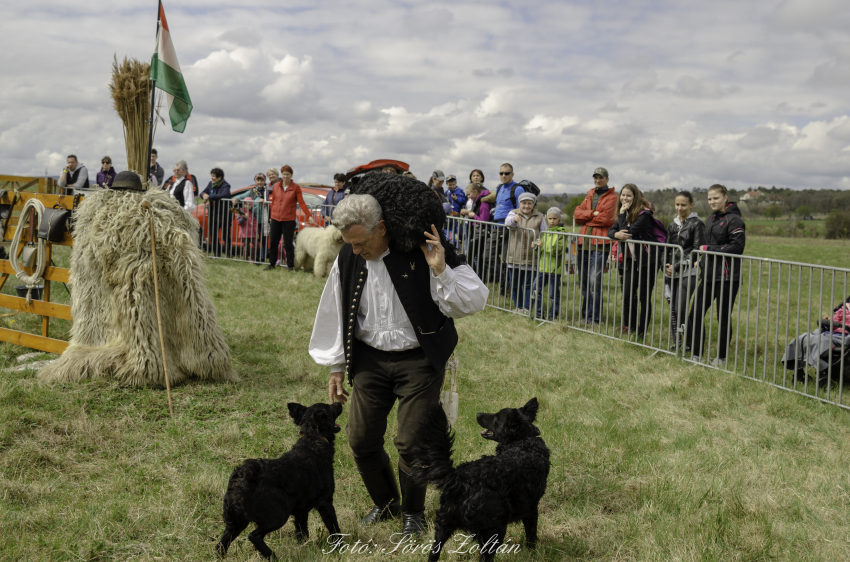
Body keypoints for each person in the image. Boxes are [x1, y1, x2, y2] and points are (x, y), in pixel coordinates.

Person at [308, 183, 488, 537]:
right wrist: (336, 366)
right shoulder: (349, 256)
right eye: (350, 243)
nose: (356, 251)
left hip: (419, 360)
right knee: (360, 439)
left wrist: (440, 269)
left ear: (382, 228)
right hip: (370, 360)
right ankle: (386, 502)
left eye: (362, 242)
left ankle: (413, 512)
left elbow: (475, 299)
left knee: (410, 441)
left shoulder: (425, 247)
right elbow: (336, 310)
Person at [685, 184, 746, 367]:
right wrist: (702, 261)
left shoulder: (735, 220)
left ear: (725, 197)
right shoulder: (711, 219)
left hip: (728, 278)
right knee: (695, 313)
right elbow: (708, 248)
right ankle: (696, 354)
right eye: (710, 198)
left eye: (716, 198)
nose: (712, 201)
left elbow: (737, 248)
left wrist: (707, 249)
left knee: (723, 318)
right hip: (709, 276)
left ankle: (721, 358)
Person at [608, 184, 662, 338]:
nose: (625, 198)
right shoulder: (624, 214)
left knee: (644, 297)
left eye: (629, 196)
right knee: (627, 295)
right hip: (631, 260)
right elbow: (611, 230)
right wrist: (615, 235)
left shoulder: (644, 215)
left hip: (648, 261)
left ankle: (642, 331)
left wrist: (622, 215)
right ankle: (630, 326)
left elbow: (627, 233)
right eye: (623, 195)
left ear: (636, 197)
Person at [573, 167, 617, 325]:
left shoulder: (613, 198)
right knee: (584, 282)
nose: (598, 180)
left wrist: (586, 216)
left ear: (607, 179)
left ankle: (594, 319)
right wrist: (592, 214)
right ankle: (586, 316)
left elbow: (606, 219)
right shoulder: (589, 194)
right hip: (583, 244)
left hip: (599, 245)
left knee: (594, 283)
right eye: (595, 177)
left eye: (601, 178)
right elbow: (577, 215)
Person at [664, 191, 705, 349]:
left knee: (681, 308)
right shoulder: (672, 225)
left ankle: (690, 342)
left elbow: (695, 251)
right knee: (673, 309)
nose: (679, 208)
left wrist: (676, 267)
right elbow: (667, 248)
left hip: (688, 273)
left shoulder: (697, 223)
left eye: (683, 205)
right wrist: (666, 265)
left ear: (691, 205)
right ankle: (678, 342)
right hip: (671, 272)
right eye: (677, 204)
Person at [265, 164, 314, 270]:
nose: (285, 176)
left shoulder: (295, 187)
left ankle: (290, 265)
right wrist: (271, 215)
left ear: (291, 175)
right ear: (281, 175)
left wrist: (309, 215)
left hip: (288, 220)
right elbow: (273, 202)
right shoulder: (276, 186)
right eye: (284, 174)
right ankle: (271, 264)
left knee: (288, 244)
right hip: (275, 219)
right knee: (273, 242)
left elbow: (301, 202)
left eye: (288, 174)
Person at [505, 192, 546, 312]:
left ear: (533, 204)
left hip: (531, 256)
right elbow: (507, 223)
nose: (526, 206)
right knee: (515, 284)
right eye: (524, 203)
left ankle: (527, 308)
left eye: (529, 203)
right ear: (519, 203)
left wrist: (540, 242)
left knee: (528, 285)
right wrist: (514, 219)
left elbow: (544, 233)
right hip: (514, 255)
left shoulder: (539, 216)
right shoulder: (513, 212)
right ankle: (518, 306)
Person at [534, 207, 567, 320]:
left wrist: (543, 246)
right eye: (550, 218)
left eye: (554, 218)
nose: (552, 221)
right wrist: (536, 247)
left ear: (559, 219)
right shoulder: (545, 232)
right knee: (536, 290)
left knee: (553, 295)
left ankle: (553, 315)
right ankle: (539, 313)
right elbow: (541, 250)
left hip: (554, 269)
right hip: (542, 267)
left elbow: (557, 251)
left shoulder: (562, 234)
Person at [232, 172, 270, 263]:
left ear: (265, 181)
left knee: (264, 239)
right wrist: (235, 198)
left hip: (266, 218)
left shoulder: (268, 190)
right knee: (256, 240)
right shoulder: (252, 191)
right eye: (258, 180)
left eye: (262, 180)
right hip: (255, 219)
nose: (260, 182)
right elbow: (241, 196)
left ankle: (263, 257)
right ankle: (256, 258)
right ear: (255, 181)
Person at [459, 182, 491, 274]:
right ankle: (478, 277)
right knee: (476, 257)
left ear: (476, 192)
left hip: (481, 234)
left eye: (469, 194)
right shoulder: (477, 202)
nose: (468, 196)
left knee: (471, 256)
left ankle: (475, 276)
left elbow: (483, 221)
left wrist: (473, 216)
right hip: (477, 233)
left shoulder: (483, 203)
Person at [201, 168, 232, 257]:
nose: (212, 178)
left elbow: (225, 195)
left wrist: (210, 196)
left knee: (226, 236)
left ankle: (228, 254)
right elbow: (202, 192)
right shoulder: (210, 184)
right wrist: (204, 195)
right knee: (213, 235)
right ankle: (217, 254)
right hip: (213, 214)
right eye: (211, 175)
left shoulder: (226, 185)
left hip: (224, 215)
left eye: (214, 176)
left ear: (220, 177)